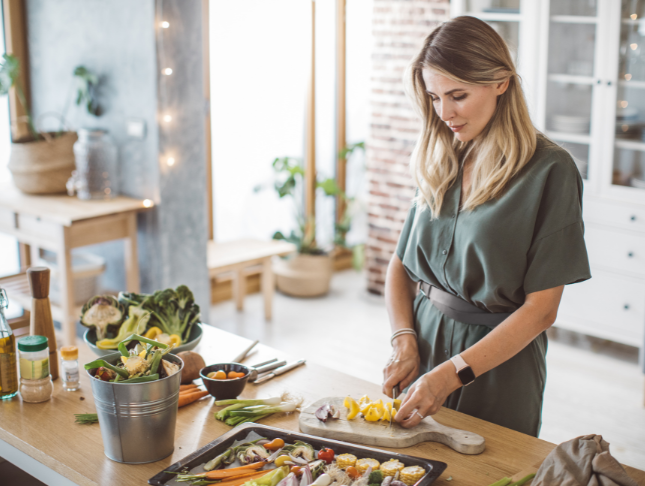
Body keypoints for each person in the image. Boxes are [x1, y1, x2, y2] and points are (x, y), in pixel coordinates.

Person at [382, 16, 591, 437]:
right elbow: (401, 266)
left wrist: (449, 374)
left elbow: (542, 310)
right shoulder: (441, 154)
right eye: (435, 97)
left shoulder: (550, 170)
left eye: (458, 95)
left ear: (501, 82)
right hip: (423, 343)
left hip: (499, 367)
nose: (445, 113)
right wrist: (403, 339)